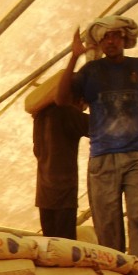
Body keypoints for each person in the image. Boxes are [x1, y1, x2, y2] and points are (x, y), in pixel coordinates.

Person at [55, 15, 138, 260]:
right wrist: (74, 56)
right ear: (100, 43)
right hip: (102, 157)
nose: (111, 41)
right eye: (105, 37)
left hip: (136, 154)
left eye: (116, 35)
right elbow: (62, 100)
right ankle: (117, 271)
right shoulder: (90, 71)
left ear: (125, 38)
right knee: (107, 224)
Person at [32, 98, 89, 239]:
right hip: (63, 193)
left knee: (50, 245)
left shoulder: (40, 116)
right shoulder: (69, 113)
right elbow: (103, 126)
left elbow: (36, 151)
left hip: (44, 193)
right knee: (65, 247)